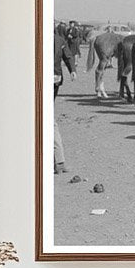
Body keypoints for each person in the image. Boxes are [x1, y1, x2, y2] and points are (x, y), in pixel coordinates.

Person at [53, 28, 76, 174]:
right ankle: (59, 160)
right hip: (55, 78)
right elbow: (68, 56)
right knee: (49, 118)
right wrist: (72, 70)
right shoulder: (59, 40)